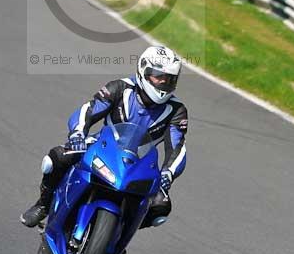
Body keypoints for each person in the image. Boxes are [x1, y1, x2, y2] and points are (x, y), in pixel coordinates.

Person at [21, 45, 188, 229]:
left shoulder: (176, 110)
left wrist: (168, 173)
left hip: (140, 161)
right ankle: (43, 205)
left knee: (160, 207)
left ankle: (118, 234)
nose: (163, 83)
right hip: (102, 144)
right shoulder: (119, 87)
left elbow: (177, 147)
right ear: (143, 71)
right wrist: (78, 133)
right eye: (159, 77)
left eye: (169, 79)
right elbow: (88, 110)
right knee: (57, 158)